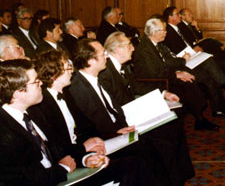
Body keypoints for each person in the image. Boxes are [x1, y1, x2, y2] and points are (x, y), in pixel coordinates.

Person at [68, 38, 194, 185]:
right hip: (106, 139)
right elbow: (90, 124)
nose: (107, 57)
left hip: (118, 129)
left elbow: (111, 109)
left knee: (167, 134)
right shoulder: (79, 87)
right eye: (103, 54)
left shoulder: (94, 79)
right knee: (156, 148)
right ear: (90, 61)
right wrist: (116, 132)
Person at [28, 50, 159, 186]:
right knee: (134, 163)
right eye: (67, 67)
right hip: (70, 161)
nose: (72, 71)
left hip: (82, 152)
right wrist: (85, 151)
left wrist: (108, 136)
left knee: (143, 147)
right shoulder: (42, 105)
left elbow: (86, 126)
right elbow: (56, 147)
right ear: (54, 75)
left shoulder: (65, 92)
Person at [0, 59, 108, 185]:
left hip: (63, 177)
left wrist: (86, 159)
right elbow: (21, 180)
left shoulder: (34, 112)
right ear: (18, 94)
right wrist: (62, 169)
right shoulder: (3, 130)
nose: (41, 83)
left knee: (130, 165)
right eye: (36, 81)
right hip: (53, 180)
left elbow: (57, 150)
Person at [133, 18, 225, 130]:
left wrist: (178, 72)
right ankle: (200, 119)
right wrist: (176, 74)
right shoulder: (145, 49)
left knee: (196, 77)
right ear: (154, 32)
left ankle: (201, 116)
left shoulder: (156, 44)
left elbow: (166, 63)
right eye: (163, 30)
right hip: (154, 82)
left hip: (164, 75)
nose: (166, 32)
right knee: (187, 83)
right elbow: (154, 73)